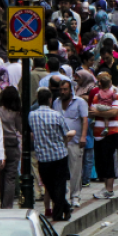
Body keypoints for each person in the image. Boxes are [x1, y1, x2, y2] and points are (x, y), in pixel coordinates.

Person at [30, 88, 76, 221]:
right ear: (50, 100)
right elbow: (65, 133)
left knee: (48, 184)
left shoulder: (32, 116)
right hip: (59, 154)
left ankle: (62, 210)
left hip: (43, 156)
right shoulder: (56, 115)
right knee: (59, 184)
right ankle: (64, 208)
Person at [52, 80, 88, 210]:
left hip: (75, 141)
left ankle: (75, 197)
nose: (62, 92)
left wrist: (83, 136)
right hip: (60, 142)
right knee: (61, 172)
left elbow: (84, 120)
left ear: (70, 89)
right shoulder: (56, 102)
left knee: (75, 170)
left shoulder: (80, 102)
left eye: (65, 89)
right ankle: (63, 196)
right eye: (61, 89)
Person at [91, 72, 118, 199]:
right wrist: (103, 112)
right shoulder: (97, 95)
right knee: (100, 161)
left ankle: (109, 189)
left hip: (111, 132)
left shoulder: (115, 94)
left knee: (109, 160)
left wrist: (100, 112)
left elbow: (115, 111)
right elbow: (91, 111)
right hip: (98, 133)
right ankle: (106, 187)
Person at [0, 86, 22, 209]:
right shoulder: (16, 113)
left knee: (1, 174)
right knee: (10, 176)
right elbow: (20, 128)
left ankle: (2, 201)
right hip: (12, 144)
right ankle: (7, 205)